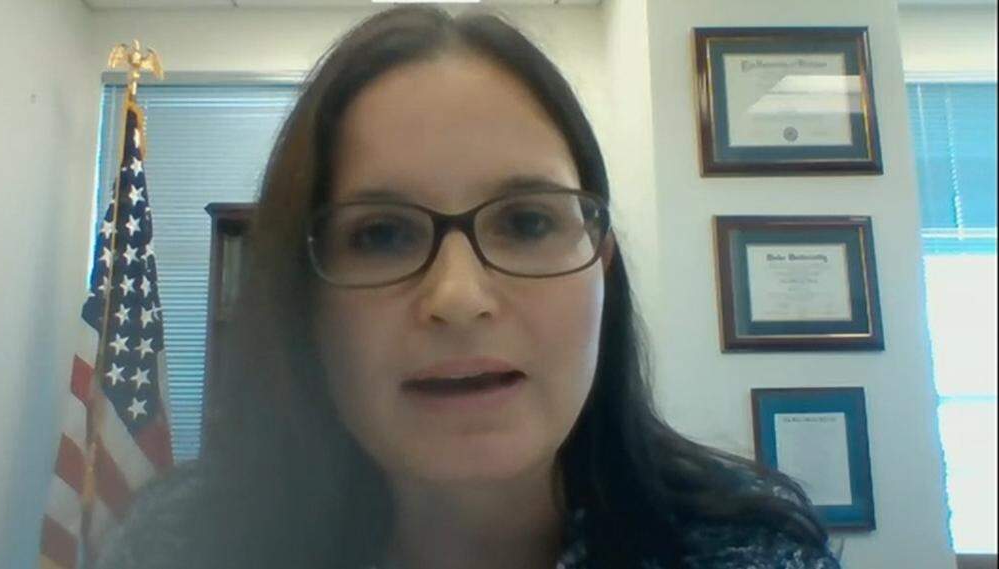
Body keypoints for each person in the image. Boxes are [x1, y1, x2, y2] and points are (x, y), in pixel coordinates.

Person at [96, 6, 841, 569]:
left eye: (525, 221)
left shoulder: (753, 551)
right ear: (306, 297)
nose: (459, 296)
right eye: (381, 234)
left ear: (601, 265)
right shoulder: (180, 550)